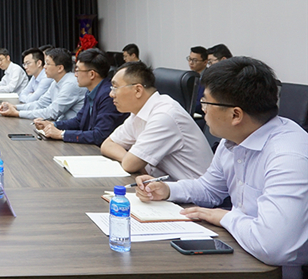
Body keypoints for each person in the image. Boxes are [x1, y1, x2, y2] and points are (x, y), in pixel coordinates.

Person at [135, 57, 308, 279]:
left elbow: (273, 247)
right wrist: (168, 190)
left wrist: (224, 217)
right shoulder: (233, 140)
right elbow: (210, 189)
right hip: (242, 250)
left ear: (235, 115)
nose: (203, 110)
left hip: (276, 271)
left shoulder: (287, 156)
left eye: (206, 103)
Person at [100, 61, 212, 180]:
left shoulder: (164, 115)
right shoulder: (139, 112)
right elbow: (108, 145)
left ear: (138, 90)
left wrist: (131, 160)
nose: (111, 94)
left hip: (194, 189)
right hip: (167, 186)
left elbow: (130, 165)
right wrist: (128, 157)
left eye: (115, 87)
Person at [34, 49, 127, 145]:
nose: (75, 75)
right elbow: (79, 120)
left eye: (78, 70)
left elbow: (100, 135)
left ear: (91, 74)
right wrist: (53, 124)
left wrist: (61, 134)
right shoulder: (91, 91)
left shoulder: (108, 95)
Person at [0, 48, 84, 121]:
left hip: (73, 130)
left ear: (60, 68)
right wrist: (15, 107)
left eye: (48, 64)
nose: (44, 67)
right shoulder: (55, 82)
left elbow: (51, 112)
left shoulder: (70, 84)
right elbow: (40, 104)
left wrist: (17, 113)